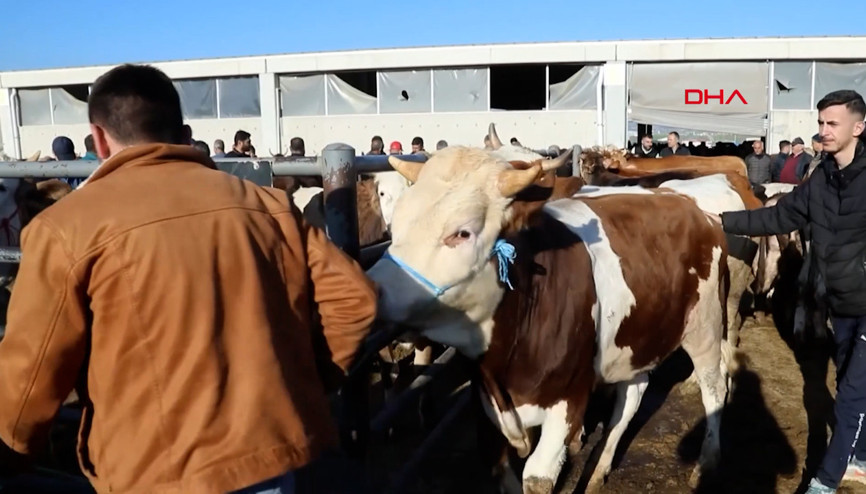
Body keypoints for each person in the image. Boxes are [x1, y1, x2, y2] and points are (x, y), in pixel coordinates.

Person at [0, 63, 377, 494]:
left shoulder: (65, 227)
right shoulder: (268, 204)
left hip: (154, 470)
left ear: (98, 137)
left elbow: (33, 367)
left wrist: (13, 447)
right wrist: (302, 383)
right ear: (182, 130)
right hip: (269, 455)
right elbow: (356, 299)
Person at [717, 89, 866, 494]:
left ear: (859, 126)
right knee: (848, 382)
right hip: (841, 301)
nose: (823, 131)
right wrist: (720, 220)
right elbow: (780, 215)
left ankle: (825, 481)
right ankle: (862, 456)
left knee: (852, 395)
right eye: (820, 124)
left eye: (832, 123)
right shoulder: (821, 179)